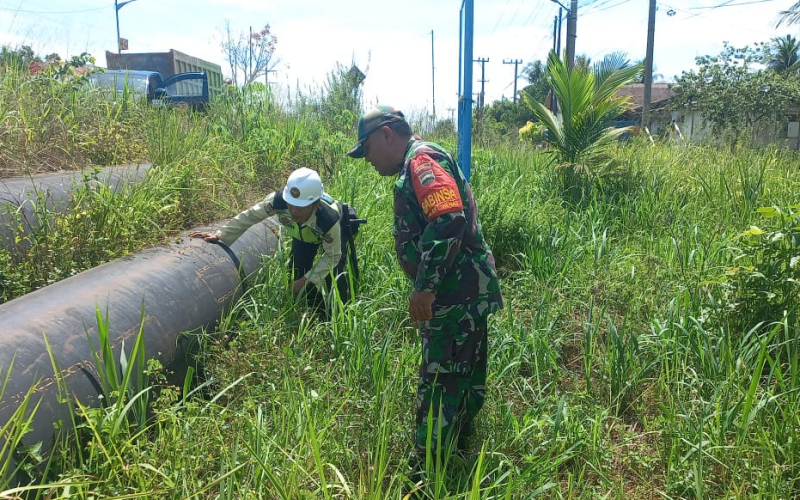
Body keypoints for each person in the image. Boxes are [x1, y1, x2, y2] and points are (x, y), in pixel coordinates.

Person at [348, 105, 503, 490]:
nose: (367, 159)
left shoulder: (420, 162)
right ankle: (457, 453)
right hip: (464, 292)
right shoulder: (420, 160)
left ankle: (426, 478)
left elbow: (448, 217)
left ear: (387, 134)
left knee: (439, 382)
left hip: (452, 295)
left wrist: (426, 287)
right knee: (463, 374)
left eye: (367, 148)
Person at [190, 167, 351, 308]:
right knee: (298, 273)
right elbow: (250, 216)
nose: (293, 211)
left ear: (316, 204)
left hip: (331, 235)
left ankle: (339, 312)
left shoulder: (328, 220)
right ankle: (316, 311)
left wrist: (306, 280)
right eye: (291, 204)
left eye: (300, 207)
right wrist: (221, 234)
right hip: (303, 237)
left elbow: (332, 256)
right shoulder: (278, 201)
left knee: (335, 277)